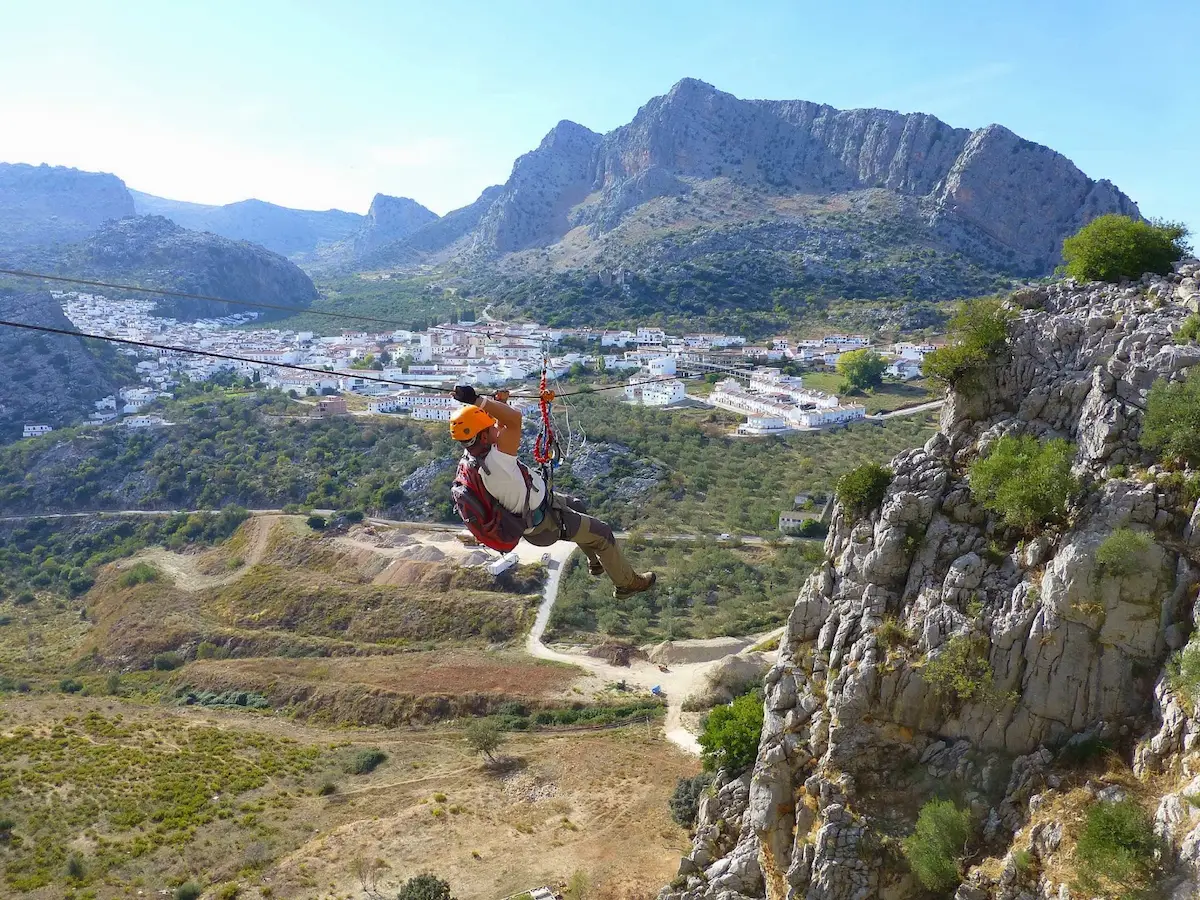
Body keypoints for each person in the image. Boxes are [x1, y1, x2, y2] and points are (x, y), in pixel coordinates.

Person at [449, 384, 656, 599]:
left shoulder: (475, 459)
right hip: (546, 524)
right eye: (490, 428)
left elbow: (503, 426)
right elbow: (513, 421)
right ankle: (627, 584)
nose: (495, 429)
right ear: (483, 437)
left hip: (540, 510)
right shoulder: (497, 460)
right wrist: (478, 400)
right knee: (603, 533)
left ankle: (596, 562)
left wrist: (497, 404)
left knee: (576, 504)